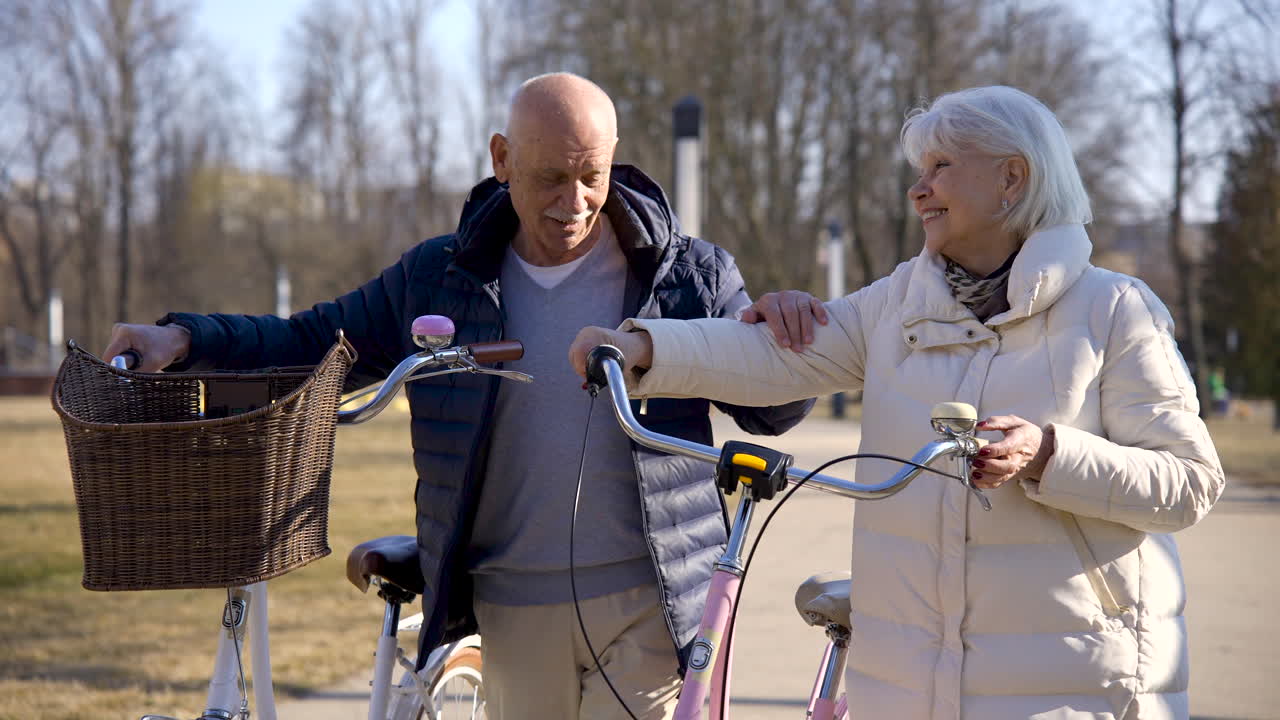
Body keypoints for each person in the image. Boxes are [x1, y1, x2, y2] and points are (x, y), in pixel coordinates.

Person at [104, 72, 813, 720]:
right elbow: (310, 341)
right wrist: (185, 340)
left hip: (651, 606)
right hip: (509, 606)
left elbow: (773, 409)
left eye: (591, 175)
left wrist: (783, 333)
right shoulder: (438, 279)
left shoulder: (687, 274)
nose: (576, 203)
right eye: (550, 178)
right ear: (501, 159)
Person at [571, 86, 1224, 720]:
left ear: (1012, 179)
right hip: (906, 687)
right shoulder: (898, 302)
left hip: (1071, 684)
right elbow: (771, 357)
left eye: (941, 168)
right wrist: (641, 346)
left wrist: (1048, 455)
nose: (918, 190)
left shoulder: (1115, 310)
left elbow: (1189, 482)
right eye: (920, 170)